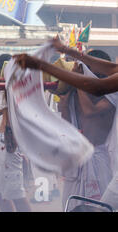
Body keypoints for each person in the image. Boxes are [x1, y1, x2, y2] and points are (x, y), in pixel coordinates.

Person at [14, 36, 118, 210]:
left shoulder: (104, 95)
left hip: (101, 160)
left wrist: (42, 66)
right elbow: (112, 68)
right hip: (85, 162)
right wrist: (68, 51)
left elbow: (97, 87)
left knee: (101, 207)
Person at [57, 50, 116, 211]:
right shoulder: (76, 93)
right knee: (72, 206)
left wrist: (78, 82)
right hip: (77, 163)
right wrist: (65, 98)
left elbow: (90, 112)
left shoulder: (112, 93)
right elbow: (67, 124)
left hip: (99, 161)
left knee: (101, 208)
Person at [0, 54, 32, 212]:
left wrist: (13, 139)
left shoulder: (19, 86)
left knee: (15, 193)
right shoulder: (7, 87)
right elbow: (3, 108)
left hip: (11, 141)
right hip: (0, 139)